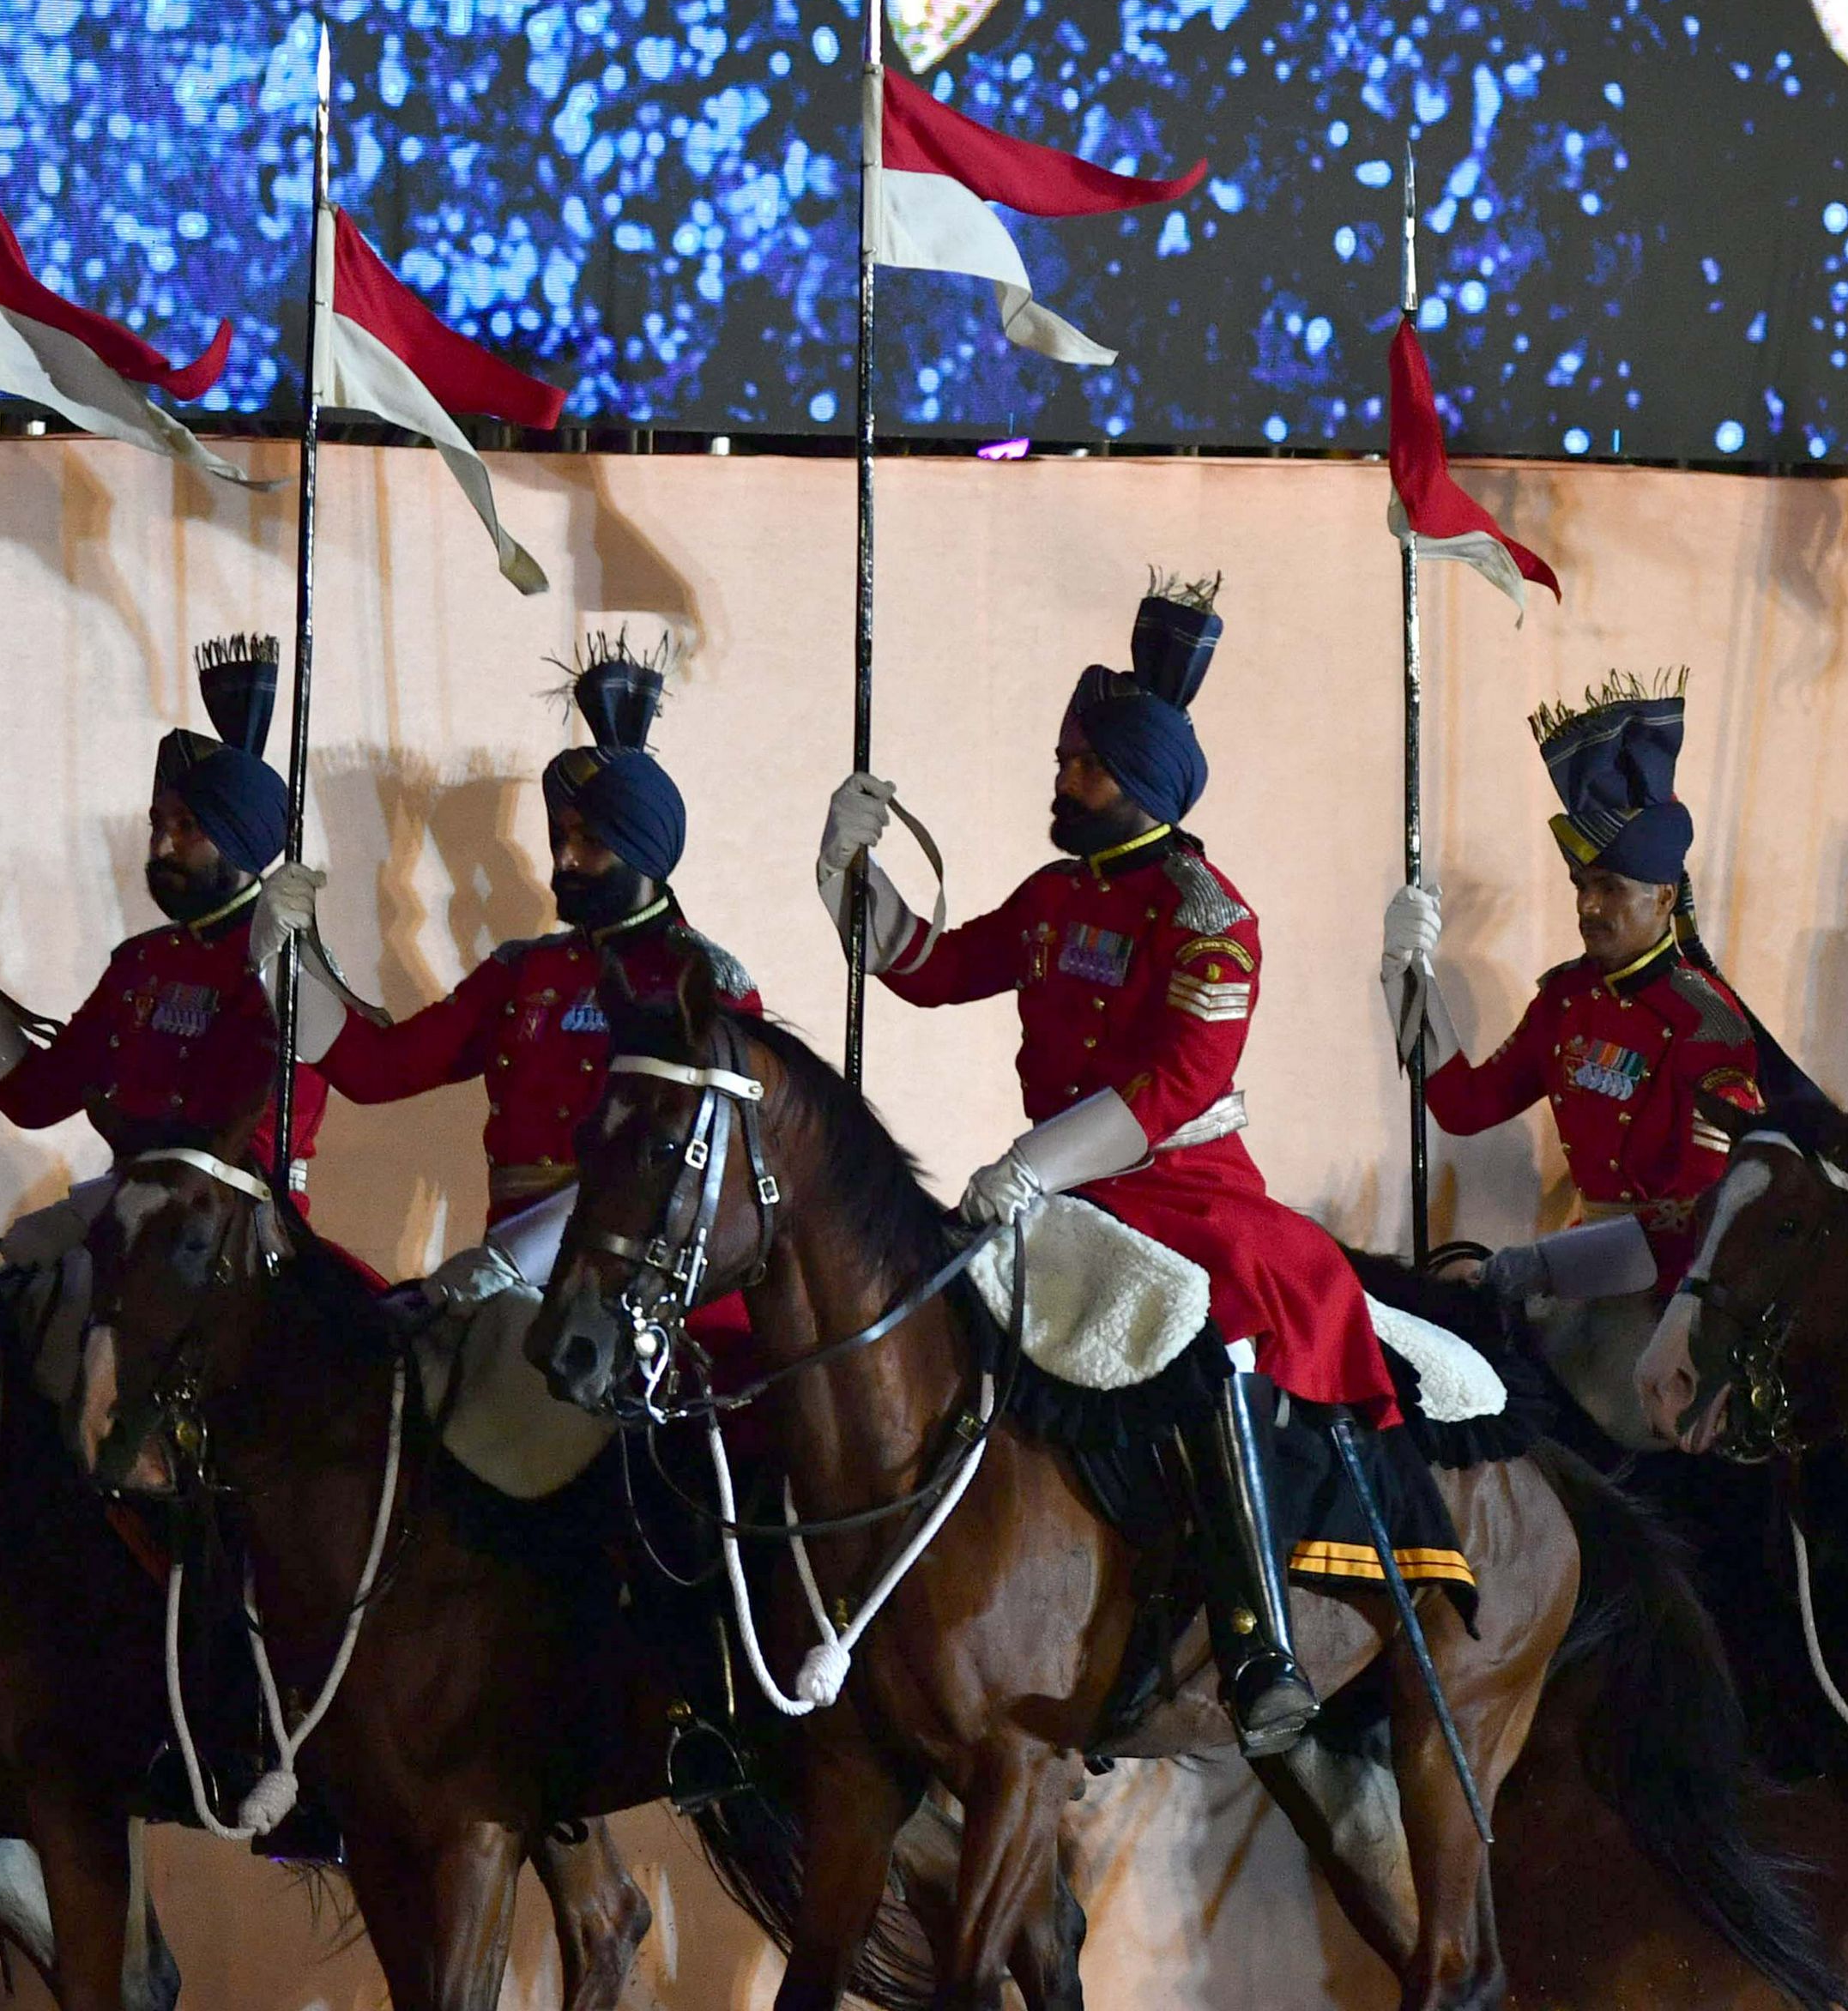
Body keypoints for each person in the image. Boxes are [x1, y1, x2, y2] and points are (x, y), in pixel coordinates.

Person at [817, 575, 1398, 1755]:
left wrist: (1032, 1160)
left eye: (1082, 764)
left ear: (1141, 781)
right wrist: (846, 868)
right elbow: (928, 966)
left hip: (1186, 1195)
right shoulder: (1052, 896)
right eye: (1064, 758)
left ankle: (1256, 1640)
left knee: (1207, 1349)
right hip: (1061, 1192)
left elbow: (1178, 1085)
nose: (1062, 777)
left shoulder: (1210, 916)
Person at [323, 632, 760, 1302]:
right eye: (559, 838)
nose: (563, 861)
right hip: (508, 1284)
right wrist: (289, 960)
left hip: (642, 1291)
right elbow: (379, 1069)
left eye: (590, 842)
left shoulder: (704, 982)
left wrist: (514, 1258)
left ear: (644, 848)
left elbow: (697, 1167)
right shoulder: (524, 973)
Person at [1381, 672, 1773, 1304]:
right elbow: (1464, 1107)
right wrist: (1406, 975)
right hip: (1579, 1263)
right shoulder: (1566, 999)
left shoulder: (1708, 1023)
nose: (1588, 906)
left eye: (1610, 888)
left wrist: (1534, 1266)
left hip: (1668, 1289)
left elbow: (1702, 1212)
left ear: (1663, 896)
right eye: (1581, 886)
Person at [0, 635, 334, 1208]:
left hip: (243, 1221)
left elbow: (274, 1128)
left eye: (187, 827)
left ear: (240, 839)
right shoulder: (141, 963)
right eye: (156, 823)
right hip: (132, 1213)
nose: (161, 846)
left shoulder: (287, 961)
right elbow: (36, 1097)